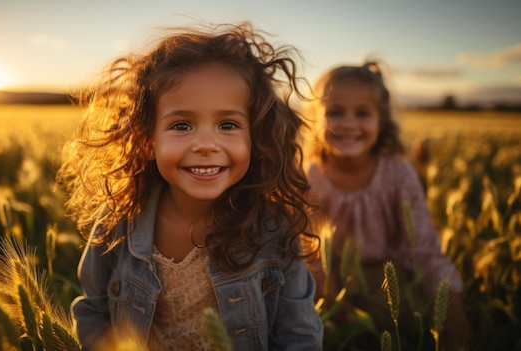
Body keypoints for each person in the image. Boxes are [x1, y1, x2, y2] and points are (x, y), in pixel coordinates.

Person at [56, 21, 323, 351]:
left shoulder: (274, 232)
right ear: (146, 140)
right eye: (181, 125)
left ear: (256, 137)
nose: (206, 144)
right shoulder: (118, 222)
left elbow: (299, 337)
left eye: (228, 124)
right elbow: (94, 308)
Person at [303, 62, 470, 350]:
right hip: (332, 285)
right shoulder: (311, 177)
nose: (348, 123)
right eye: (335, 112)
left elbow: (423, 248)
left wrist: (451, 313)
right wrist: (335, 310)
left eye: (362, 113)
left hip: (392, 283)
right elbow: (311, 253)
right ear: (315, 119)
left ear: (382, 120)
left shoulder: (398, 173)